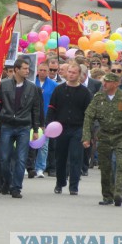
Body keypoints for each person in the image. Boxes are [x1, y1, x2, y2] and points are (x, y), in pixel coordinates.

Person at [83, 72, 122, 206]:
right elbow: (89, 117)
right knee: (105, 167)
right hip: (104, 136)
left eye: (107, 82)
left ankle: (118, 194)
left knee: (120, 164)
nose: (104, 84)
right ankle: (107, 196)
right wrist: (86, 137)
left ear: (116, 84)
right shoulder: (98, 98)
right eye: (104, 81)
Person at [0, 58, 42, 199]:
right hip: (6, 125)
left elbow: (36, 110)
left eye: (28, 68)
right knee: (4, 158)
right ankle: (7, 181)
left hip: (24, 126)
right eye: (24, 68)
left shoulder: (32, 88)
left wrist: (36, 130)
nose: (27, 71)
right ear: (16, 70)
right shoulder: (4, 85)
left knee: (21, 158)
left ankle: (16, 187)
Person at [47, 62, 92, 196]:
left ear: (79, 75)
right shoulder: (59, 89)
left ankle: (74, 186)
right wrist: (48, 124)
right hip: (60, 128)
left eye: (74, 72)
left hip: (77, 128)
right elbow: (52, 109)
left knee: (75, 157)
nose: (71, 75)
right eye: (69, 72)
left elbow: (88, 114)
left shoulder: (85, 92)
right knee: (60, 157)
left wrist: (87, 132)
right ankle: (60, 183)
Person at [35, 62, 58, 178]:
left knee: (44, 144)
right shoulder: (32, 82)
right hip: (32, 116)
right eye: (41, 70)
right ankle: (28, 166)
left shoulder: (53, 85)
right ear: (37, 70)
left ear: (48, 72)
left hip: (46, 117)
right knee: (29, 142)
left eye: (45, 70)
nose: (43, 72)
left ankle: (40, 168)